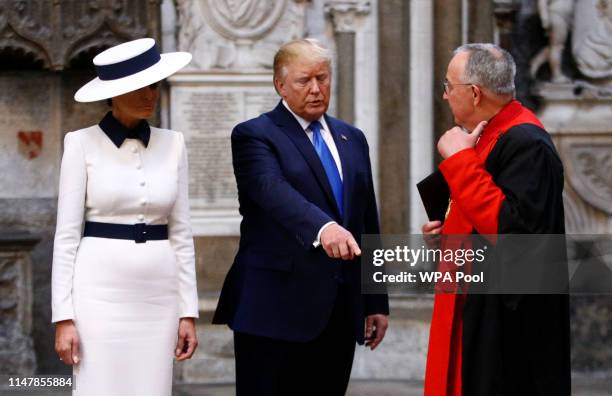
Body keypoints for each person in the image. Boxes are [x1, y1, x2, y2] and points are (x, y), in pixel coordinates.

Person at [213, 38, 389, 395]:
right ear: (280, 85)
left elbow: (367, 220)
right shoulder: (254, 135)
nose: (315, 89)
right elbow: (271, 190)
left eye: (322, 78)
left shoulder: (351, 138)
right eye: (303, 80)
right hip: (273, 309)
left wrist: (375, 302)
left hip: (337, 311)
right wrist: (323, 228)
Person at [51, 38, 199, 396]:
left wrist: (188, 311)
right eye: (138, 86)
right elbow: (66, 235)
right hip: (98, 296)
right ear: (114, 93)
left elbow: (181, 233)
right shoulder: (80, 143)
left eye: (154, 84)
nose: (150, 94)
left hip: (159, 298)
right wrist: (63, 317)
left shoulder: (174, 143)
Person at [422, 43, 570, 395]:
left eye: (448, 86)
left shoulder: (527, 142)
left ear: (474, 93)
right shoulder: (492, 134)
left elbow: (516, 234)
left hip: (506, 327)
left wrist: (459, 161)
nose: (444, 96)